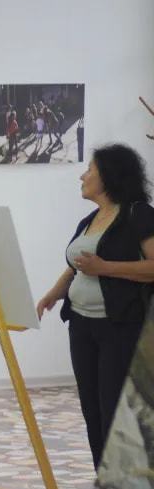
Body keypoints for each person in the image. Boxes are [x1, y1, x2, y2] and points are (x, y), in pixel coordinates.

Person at [36, 144, 154, 468]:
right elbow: (76, 267)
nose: (82, 176)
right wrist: (53, 295)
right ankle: (103, 486)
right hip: (82, 326)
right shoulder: (89, 220)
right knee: (92, 411)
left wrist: (106, 268)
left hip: (120, 327)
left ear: (108, 176)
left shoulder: (139, 215)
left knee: (113, 412)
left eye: (90, 169)